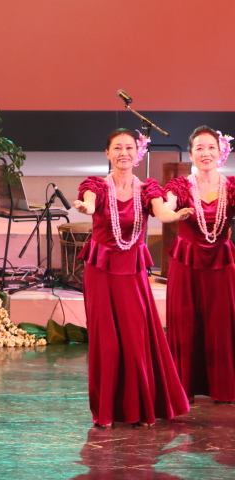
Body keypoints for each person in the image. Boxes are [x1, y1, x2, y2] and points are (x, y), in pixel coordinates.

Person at [73, 128, 189, 427]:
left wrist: (175, 216)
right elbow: (90, 202)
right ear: (107, 153)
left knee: (136, 339)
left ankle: (140, 407)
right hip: (100, 271)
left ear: (138, 154)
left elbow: (162, 212)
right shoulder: (96, 186)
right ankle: (105, 412)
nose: (123, 153)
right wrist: (86, 206)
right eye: (117, 147)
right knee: (107, 342)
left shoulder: (147, 188)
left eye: (129, 148)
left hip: (132, 270)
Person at [152, 125, 235, 404]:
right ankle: (182, 387)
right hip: (186, 263)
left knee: (221, 323)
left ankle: (223, 388)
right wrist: (171, 215)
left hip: (221, 263)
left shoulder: (231, 187)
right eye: (199, 148)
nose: (205, 153)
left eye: (211, 147)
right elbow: (166, 207)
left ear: (221, 152)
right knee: (185, 323)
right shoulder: (180, 186)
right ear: (190, 154)